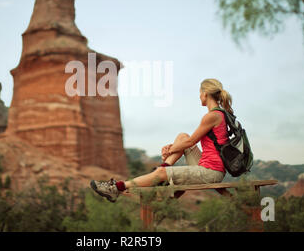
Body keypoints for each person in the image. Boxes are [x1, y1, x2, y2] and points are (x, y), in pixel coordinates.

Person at [90, 78, 233, 202]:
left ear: (205, 93)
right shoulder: (219, 114)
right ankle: (164, 167)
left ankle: (116, 188)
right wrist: (174, 147)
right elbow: (186, 141)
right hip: (208, 166)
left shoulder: (212, 116)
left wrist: (170, 149)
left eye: (200, 93)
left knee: (161, 172)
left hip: (211, 172)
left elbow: (191, 143)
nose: (199, 96)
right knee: (182, 136)